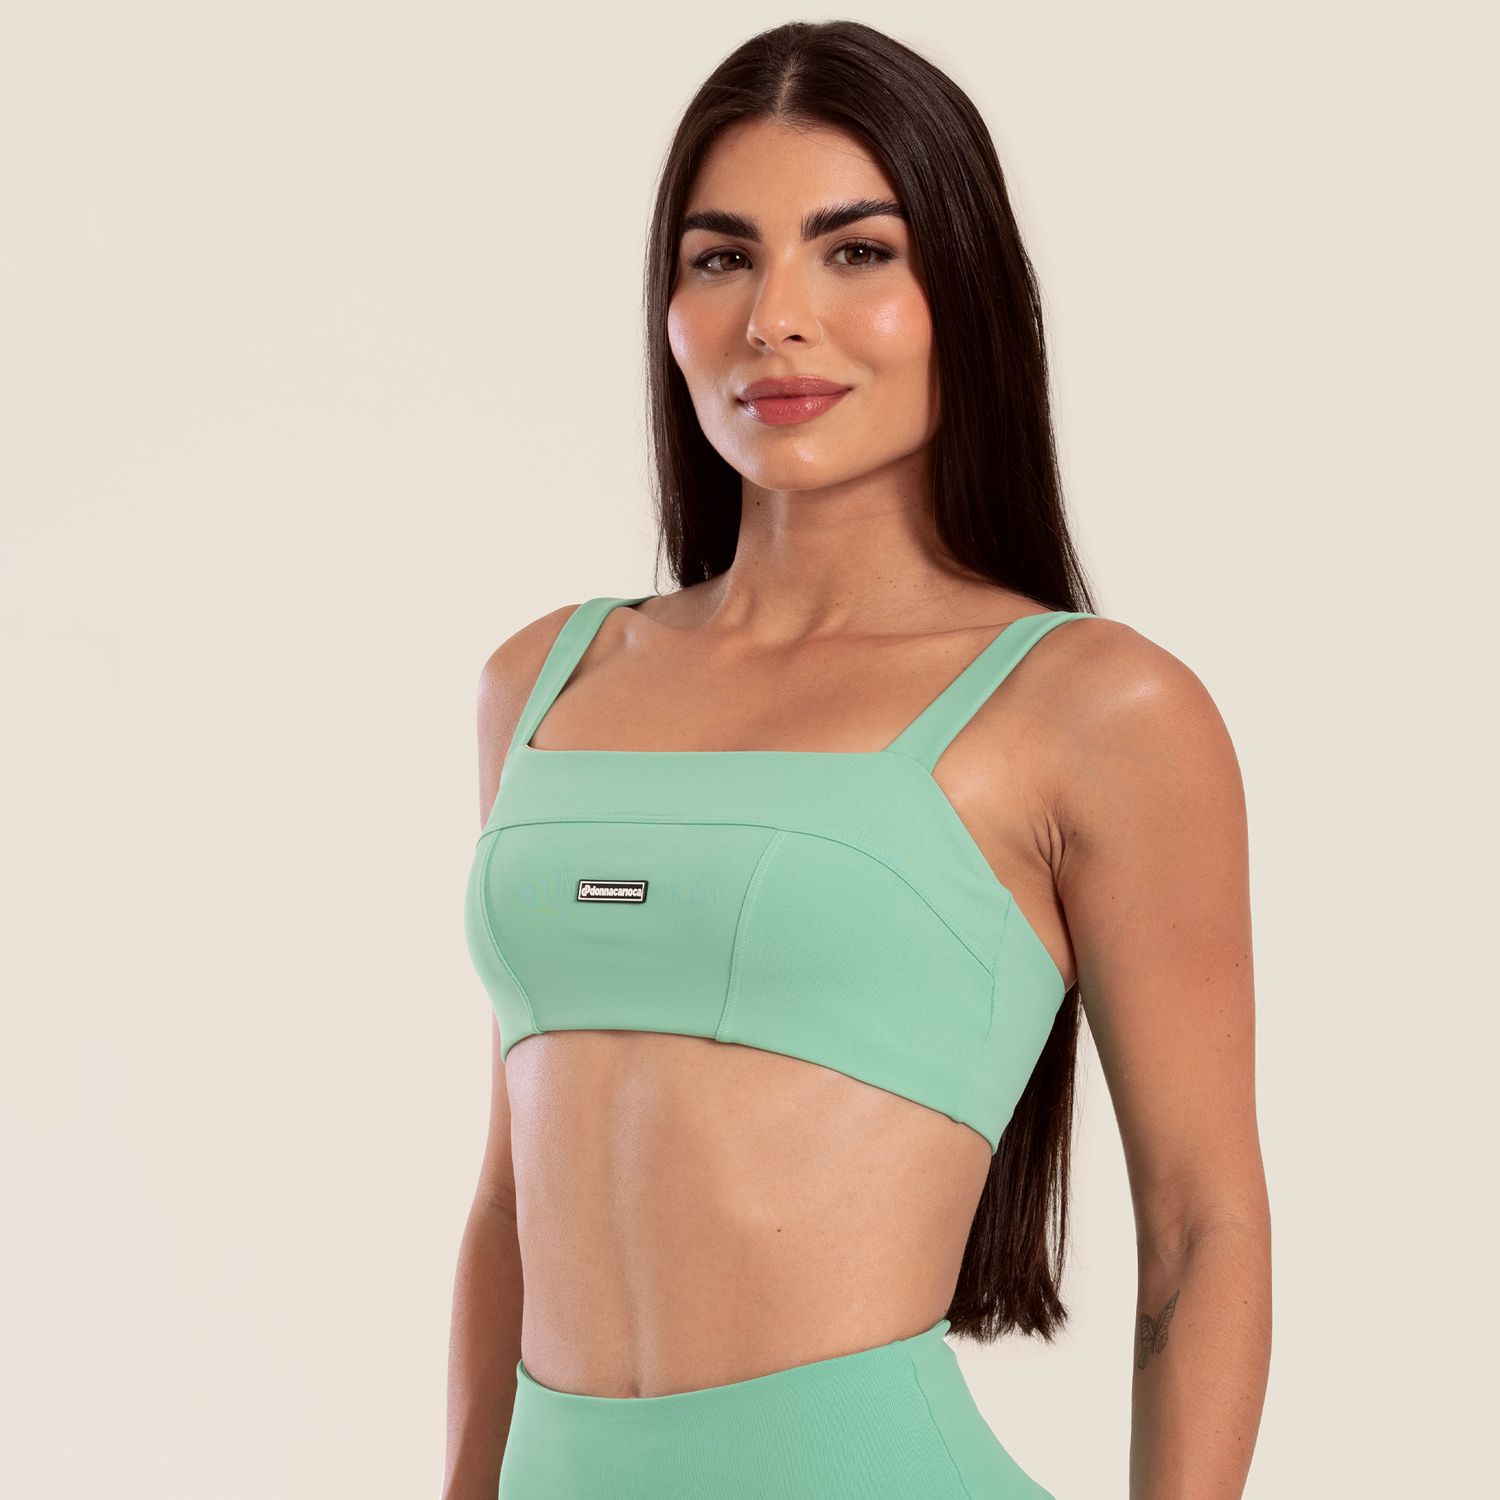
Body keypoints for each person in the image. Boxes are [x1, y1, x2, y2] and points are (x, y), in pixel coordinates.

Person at [443, 20, 1271, 1500]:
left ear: (965, 293)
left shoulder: (1094, 708)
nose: (776, 319)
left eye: (855, 253)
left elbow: (1203, 1228)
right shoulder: (546, 681)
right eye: (722, 257)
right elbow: (514, 1204)